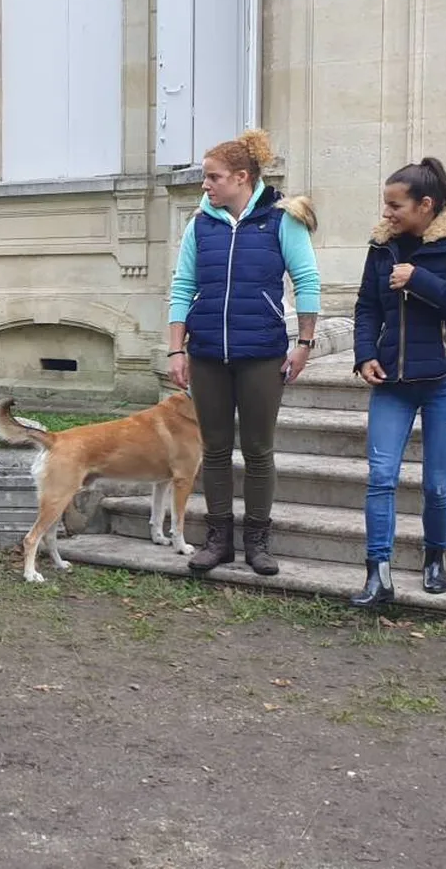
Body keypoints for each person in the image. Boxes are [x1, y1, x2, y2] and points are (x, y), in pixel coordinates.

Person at [165, 129, 322, 576]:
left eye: (212, 177)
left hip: (262, 355)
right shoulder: (201, 223)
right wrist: (177, 349)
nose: (205, 185)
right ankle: (218, 540)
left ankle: (258, 542)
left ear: (241, 177)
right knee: (214, 450)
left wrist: (305, 343)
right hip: (209, 354)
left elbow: (307, 282)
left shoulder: (281, 219)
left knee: (257, 451)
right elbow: (182, 287)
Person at [349, 158, 446, 608]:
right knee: (381, 477)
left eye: (396, 204)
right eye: (385, 204)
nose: (387, 213)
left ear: (425, 205)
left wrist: (419, 279)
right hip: (391, 380)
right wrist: (365, 354)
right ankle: (378, 574)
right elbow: (366, 306)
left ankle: (434, 558)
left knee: (437, 484)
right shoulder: (382, 247)